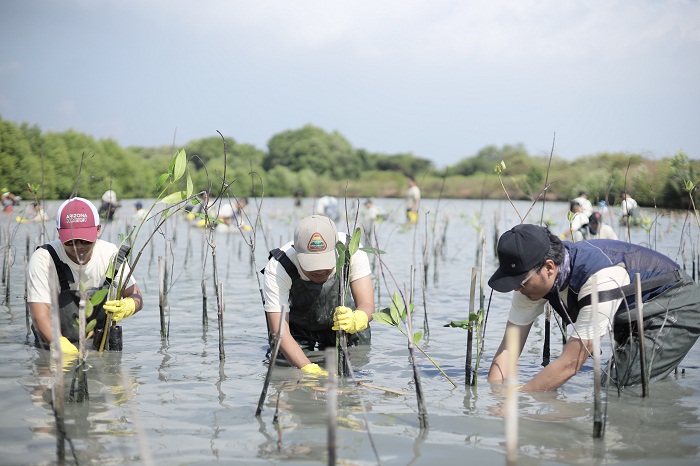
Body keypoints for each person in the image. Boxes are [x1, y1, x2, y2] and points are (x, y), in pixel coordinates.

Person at [487, 224, 700, 390]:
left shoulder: (599, 278)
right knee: (625, 376)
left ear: (549, 267)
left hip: (674, 304)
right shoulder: (529, 284)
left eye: (520, 282)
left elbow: (571, 363)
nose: (516, 289)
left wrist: (520, 401)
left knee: (619, 385)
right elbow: (508, 349)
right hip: (631, 312)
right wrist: (496, 397)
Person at [26, 197, 144, 355]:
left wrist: (129, 306)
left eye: (85, 240)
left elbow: (136, 294)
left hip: (96, 342)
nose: (79, 247)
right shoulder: (43, 258)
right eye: (71, 242)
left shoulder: (110, 255)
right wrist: (58, 343)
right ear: (59, 234)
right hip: (50, 342)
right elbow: (39, 313)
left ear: (97, 230)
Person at [261, 215, 375, 375]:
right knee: (289, 372)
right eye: (311, 265)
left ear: (336, 247)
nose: (319, 270)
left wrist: (358, 318)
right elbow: (280, 332)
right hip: (299, 330)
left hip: (344, 326)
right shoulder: (279, 266)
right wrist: (308, 369)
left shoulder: (351, 251)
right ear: (295, 249)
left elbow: (367, 304)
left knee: (354, 372)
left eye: (324, 263)